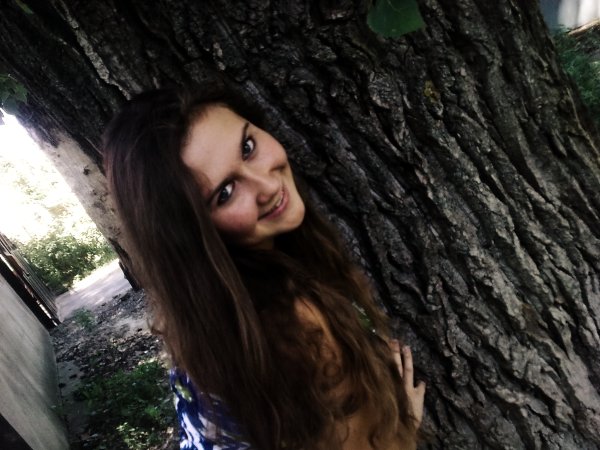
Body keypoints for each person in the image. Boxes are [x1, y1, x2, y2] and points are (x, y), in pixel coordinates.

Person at [102, 81, 426, 450]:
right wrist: (404, 426)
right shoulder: (292, 323)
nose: (267, 186)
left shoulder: (202, 316)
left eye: (247, 147)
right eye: (225, 193)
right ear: (192, 234)